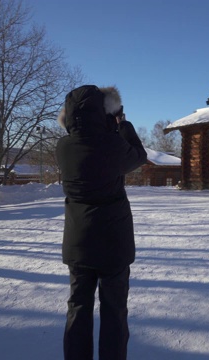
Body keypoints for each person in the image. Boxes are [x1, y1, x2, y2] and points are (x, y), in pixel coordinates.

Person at [55, 85, 147, 360]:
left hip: (78, 242)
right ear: (103, 112)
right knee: (114, 312)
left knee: (78, 309)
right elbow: (139, 156)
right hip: (113, 244)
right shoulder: (112, 144)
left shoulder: (64, 147)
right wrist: (122, 123)